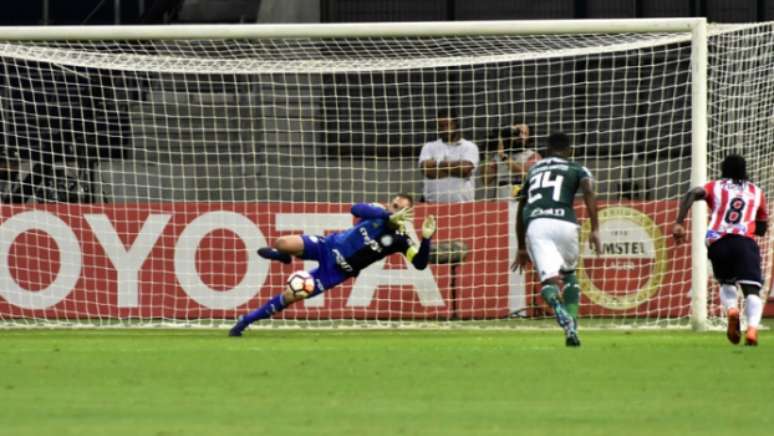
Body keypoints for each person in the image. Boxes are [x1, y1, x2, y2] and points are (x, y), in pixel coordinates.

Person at [229, 193, 437, 336]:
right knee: (281, 243)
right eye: (395, 205)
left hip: (336, 272)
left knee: (291, 296)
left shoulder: (400, 239)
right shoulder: (377, 211)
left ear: (408, 215)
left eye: (402, 209)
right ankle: (285, 256)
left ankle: (246, 321)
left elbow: (419, 264)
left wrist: (426, 238)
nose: (396, 209)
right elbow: (355, 208)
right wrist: (386, 214)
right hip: (327, 246)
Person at [513, 132, 601, 347]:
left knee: (548, 281)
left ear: (547, 150)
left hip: (537, 224)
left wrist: (521, 247)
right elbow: (588, 190)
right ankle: (572, 323)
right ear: (569, 150)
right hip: (566, 224)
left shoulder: (533, 170)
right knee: (570, 275)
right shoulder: (577, 168)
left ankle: (556, 305)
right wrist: (595, 228)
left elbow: (521, 207)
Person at [673, 154, 768, 346]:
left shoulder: (714, 186)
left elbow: (692, 193)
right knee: (751, 290)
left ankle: (732, 310)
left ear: (723, 169)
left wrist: (679, 223)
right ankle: (751, 329)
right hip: (743, 242)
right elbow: (761, 227)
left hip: (718, 242)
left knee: (726, 283)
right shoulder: (757, 192)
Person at [418, 109, 480, 202]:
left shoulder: (470, 147)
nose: (444, 129)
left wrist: (437, 165)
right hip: (432, 205)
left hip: (464, 207)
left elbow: (465, 170)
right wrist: (455, 169)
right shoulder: (429, 147)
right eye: (441, 126)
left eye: (447, 125)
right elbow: (427, 170)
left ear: (456, 124)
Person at [481, 123, 541, 201]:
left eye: (524, 133)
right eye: (517, 133)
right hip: (502, 205)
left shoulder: (533, 155)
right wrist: (485, 155)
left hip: (523, 203)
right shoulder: (499, 156)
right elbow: (486, 180)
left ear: (529, 137)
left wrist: (504, 158)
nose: (520, 136)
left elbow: (524, 173)